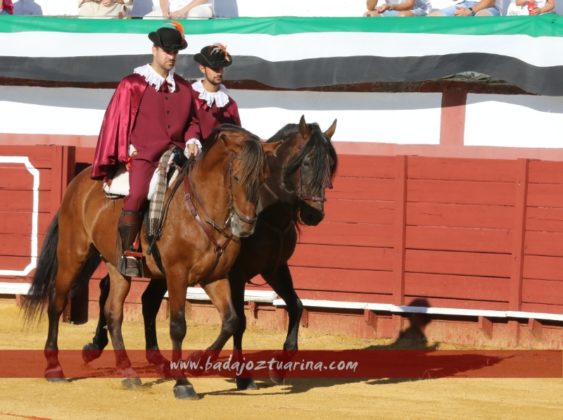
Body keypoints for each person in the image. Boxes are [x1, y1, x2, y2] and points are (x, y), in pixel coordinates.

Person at [91, 22, 200, 277]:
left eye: (175, 52)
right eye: (166, 51)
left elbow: (193, 123)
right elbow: (116, 120)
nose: (171, 56)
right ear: (154, 50)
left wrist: (194, 140)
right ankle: (129, 250)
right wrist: (125, 149)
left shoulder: (184, 88)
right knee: (139, 191)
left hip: (178, 154)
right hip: (144, 154)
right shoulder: (132, 84)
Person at [190, 44, 241, 142]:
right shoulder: (190, 96)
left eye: (221, 68)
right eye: (214, 68)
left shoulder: (230, 104)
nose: (219, 72)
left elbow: (237, 137)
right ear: (202, 68)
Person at [145, 0, 213, 18]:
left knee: (194, 16)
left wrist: (182, 12)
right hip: (171, 9)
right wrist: (165, 12)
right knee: (147, 18)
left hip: (197, 7)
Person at [428, 0, 500, 15]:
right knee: (433, 17)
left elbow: (490, 2)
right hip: (464, 4)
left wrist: (470, 10)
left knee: (482, 17)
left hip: (488, 6)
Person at [364, 0, 430, 16]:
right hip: (392, 9)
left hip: (417, 9)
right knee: (369, 15)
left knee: (403, 15)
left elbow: (409, 5)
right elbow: (370, 8)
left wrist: (390, 6)